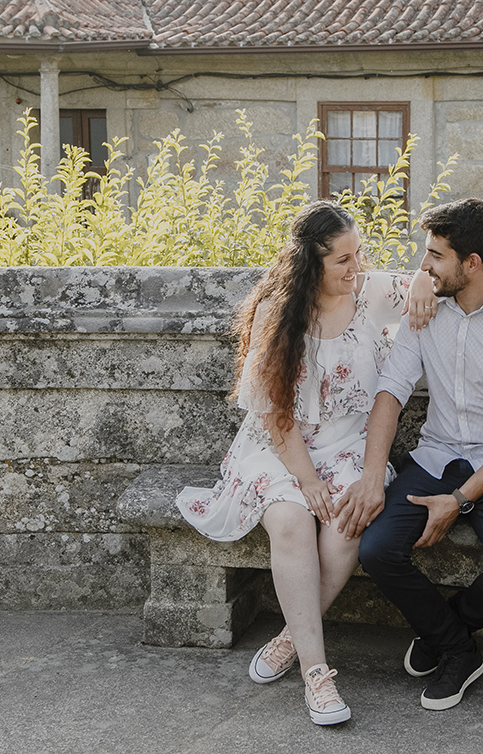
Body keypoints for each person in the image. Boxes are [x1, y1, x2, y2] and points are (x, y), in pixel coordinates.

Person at [175, 200, 436, 726]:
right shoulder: (280, 313)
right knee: (293, 519)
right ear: (310, 263)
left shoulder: (368, 292)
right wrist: (307, 479)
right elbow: (275, 414)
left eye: (358, 254)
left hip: (348, 444)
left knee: (346, 522)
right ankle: (317, 675)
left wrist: (424, 282)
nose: (355, 267)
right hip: (281, 448)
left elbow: (420, 283)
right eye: (342, 259)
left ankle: (292, 636)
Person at [335, 197, 483, 712]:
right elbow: (391, 392)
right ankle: (458, 649)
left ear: (471, 263)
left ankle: (443, 631)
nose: (424, 265)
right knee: (375, 550)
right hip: (435, 455)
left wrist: (458, 499)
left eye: (434, 255)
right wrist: (372, 478)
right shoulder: (426, 306)